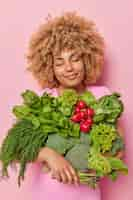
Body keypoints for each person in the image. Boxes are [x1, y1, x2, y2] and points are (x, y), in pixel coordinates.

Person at [25, 11, 124, 200]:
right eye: (59, 63)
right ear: (49, 67)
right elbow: (15, 151)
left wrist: (103, 162)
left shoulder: (103, 97)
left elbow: (119, 148)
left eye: (75, 59)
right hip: (46, 195)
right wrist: (48, 154)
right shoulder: (43, 100)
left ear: (87, 60)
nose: (69, 68)